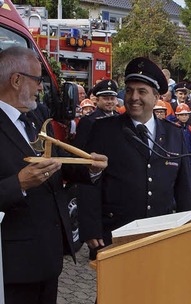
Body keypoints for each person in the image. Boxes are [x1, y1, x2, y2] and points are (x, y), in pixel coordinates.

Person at [0, 46, 107, 304]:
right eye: (37, 80)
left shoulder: (37, 115)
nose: (40, 88)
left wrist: (87, 166)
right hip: (14, 265)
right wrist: (19, 183)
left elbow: (58, 162)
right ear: (16, 80)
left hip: (49, 257)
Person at [79, 57, 191, 258]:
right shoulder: (103, 129)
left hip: (160, 234)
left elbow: (183, 187)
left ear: (157, 96)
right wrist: (90, 226)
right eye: (130, 90)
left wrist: (190, 229)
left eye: (142, 91)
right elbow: (88, 180)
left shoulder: (174, 134)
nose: (134, 97)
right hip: (115, 233)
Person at [73, 79, 120, 148]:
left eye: (112, 98)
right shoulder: (88, 121)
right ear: (97, 100)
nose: (110, 102)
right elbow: (79, 148)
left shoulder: (120, 119)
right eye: (106, 98)